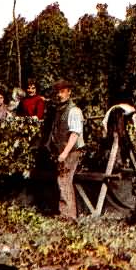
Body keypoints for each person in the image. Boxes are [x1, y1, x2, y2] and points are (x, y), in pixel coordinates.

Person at [44, 79, 85, 220]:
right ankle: (65, 214)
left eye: (62, 92)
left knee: (64, 181)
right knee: (62, 181)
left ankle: (68, 216)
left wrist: (65, 153)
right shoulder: (59, 110)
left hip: (71, 151)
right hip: (62, 151)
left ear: (69, 92)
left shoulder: (74, 111)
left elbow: (74, 134)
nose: (59, 95)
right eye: (57, 92)